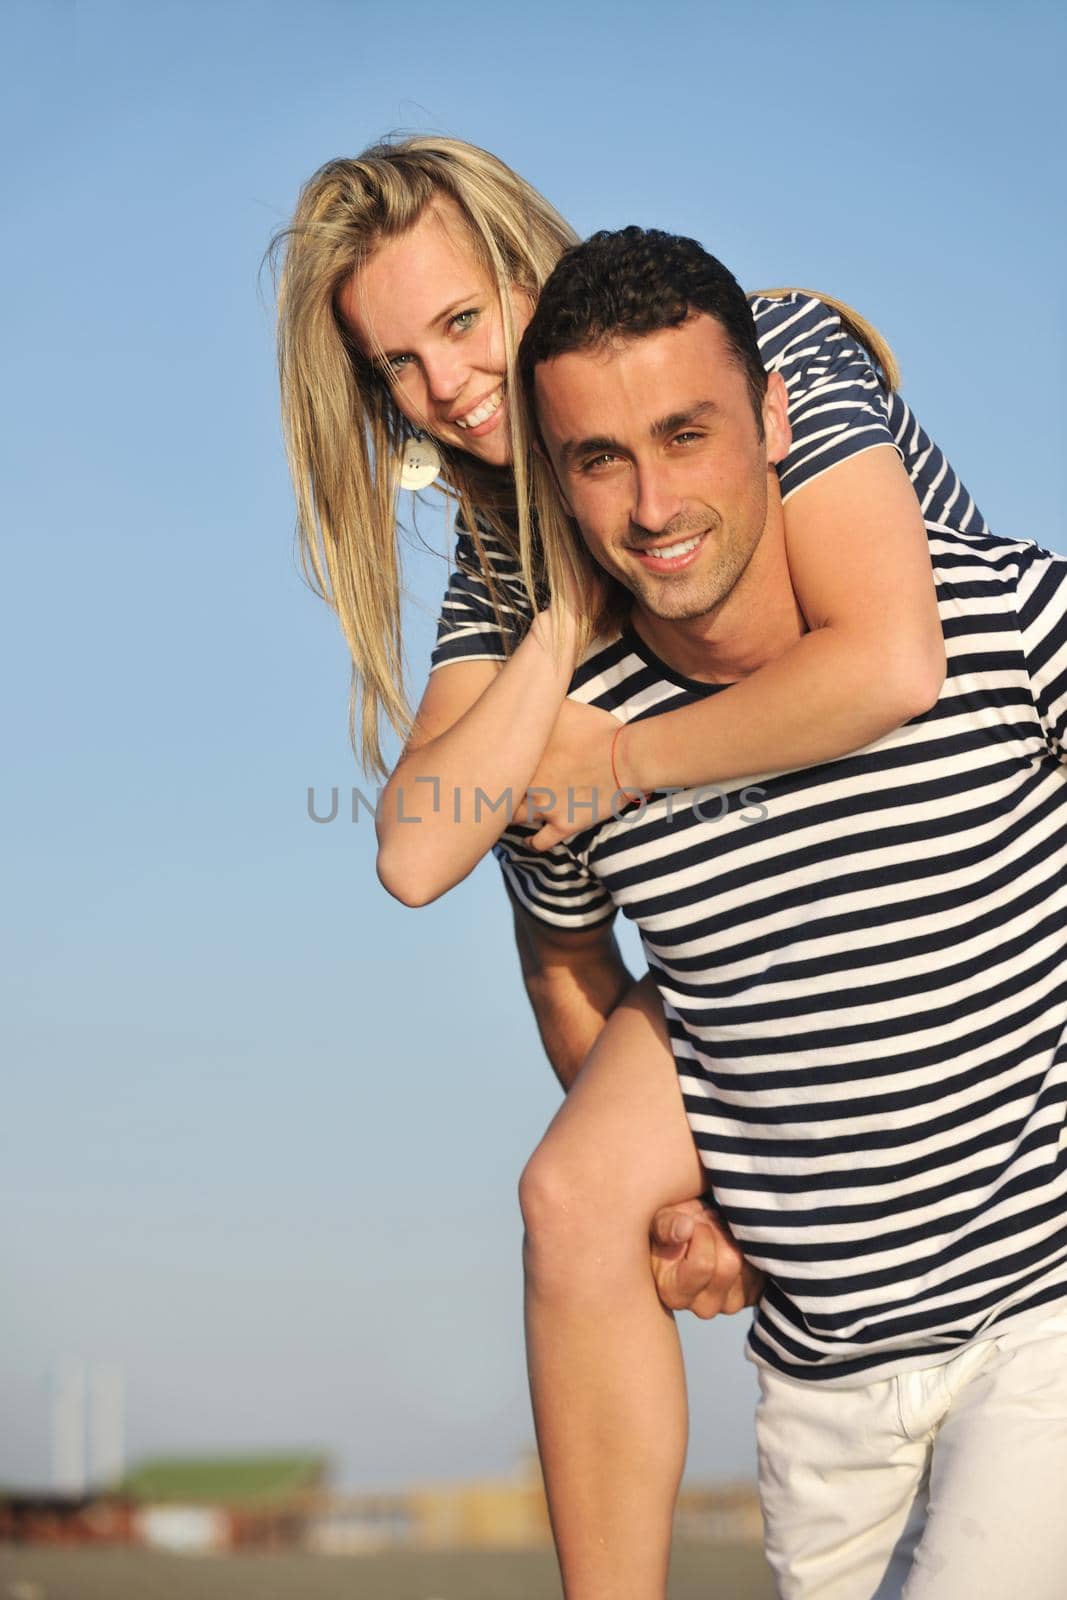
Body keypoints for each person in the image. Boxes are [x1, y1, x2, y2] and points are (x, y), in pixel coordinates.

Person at [271, 136, 981, 1590]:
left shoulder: (768, 354)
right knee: (572, 1200)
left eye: (464, 323)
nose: (446, 386)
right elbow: (423, 852)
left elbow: (894, 662)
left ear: (531, 268)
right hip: (755, 932)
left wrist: (625, 758)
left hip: (940, 866)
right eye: (396, 366)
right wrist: (558, 612)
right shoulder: (505, 557)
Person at [493, 223, 1067, 1600]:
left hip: (1042, 1328)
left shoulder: (997, 614)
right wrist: (683, 1194)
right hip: (819, 1398)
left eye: (687, 434)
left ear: (774, 415)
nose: (652, 503)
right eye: (600, 459)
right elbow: (566, 958)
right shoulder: (574, 749)